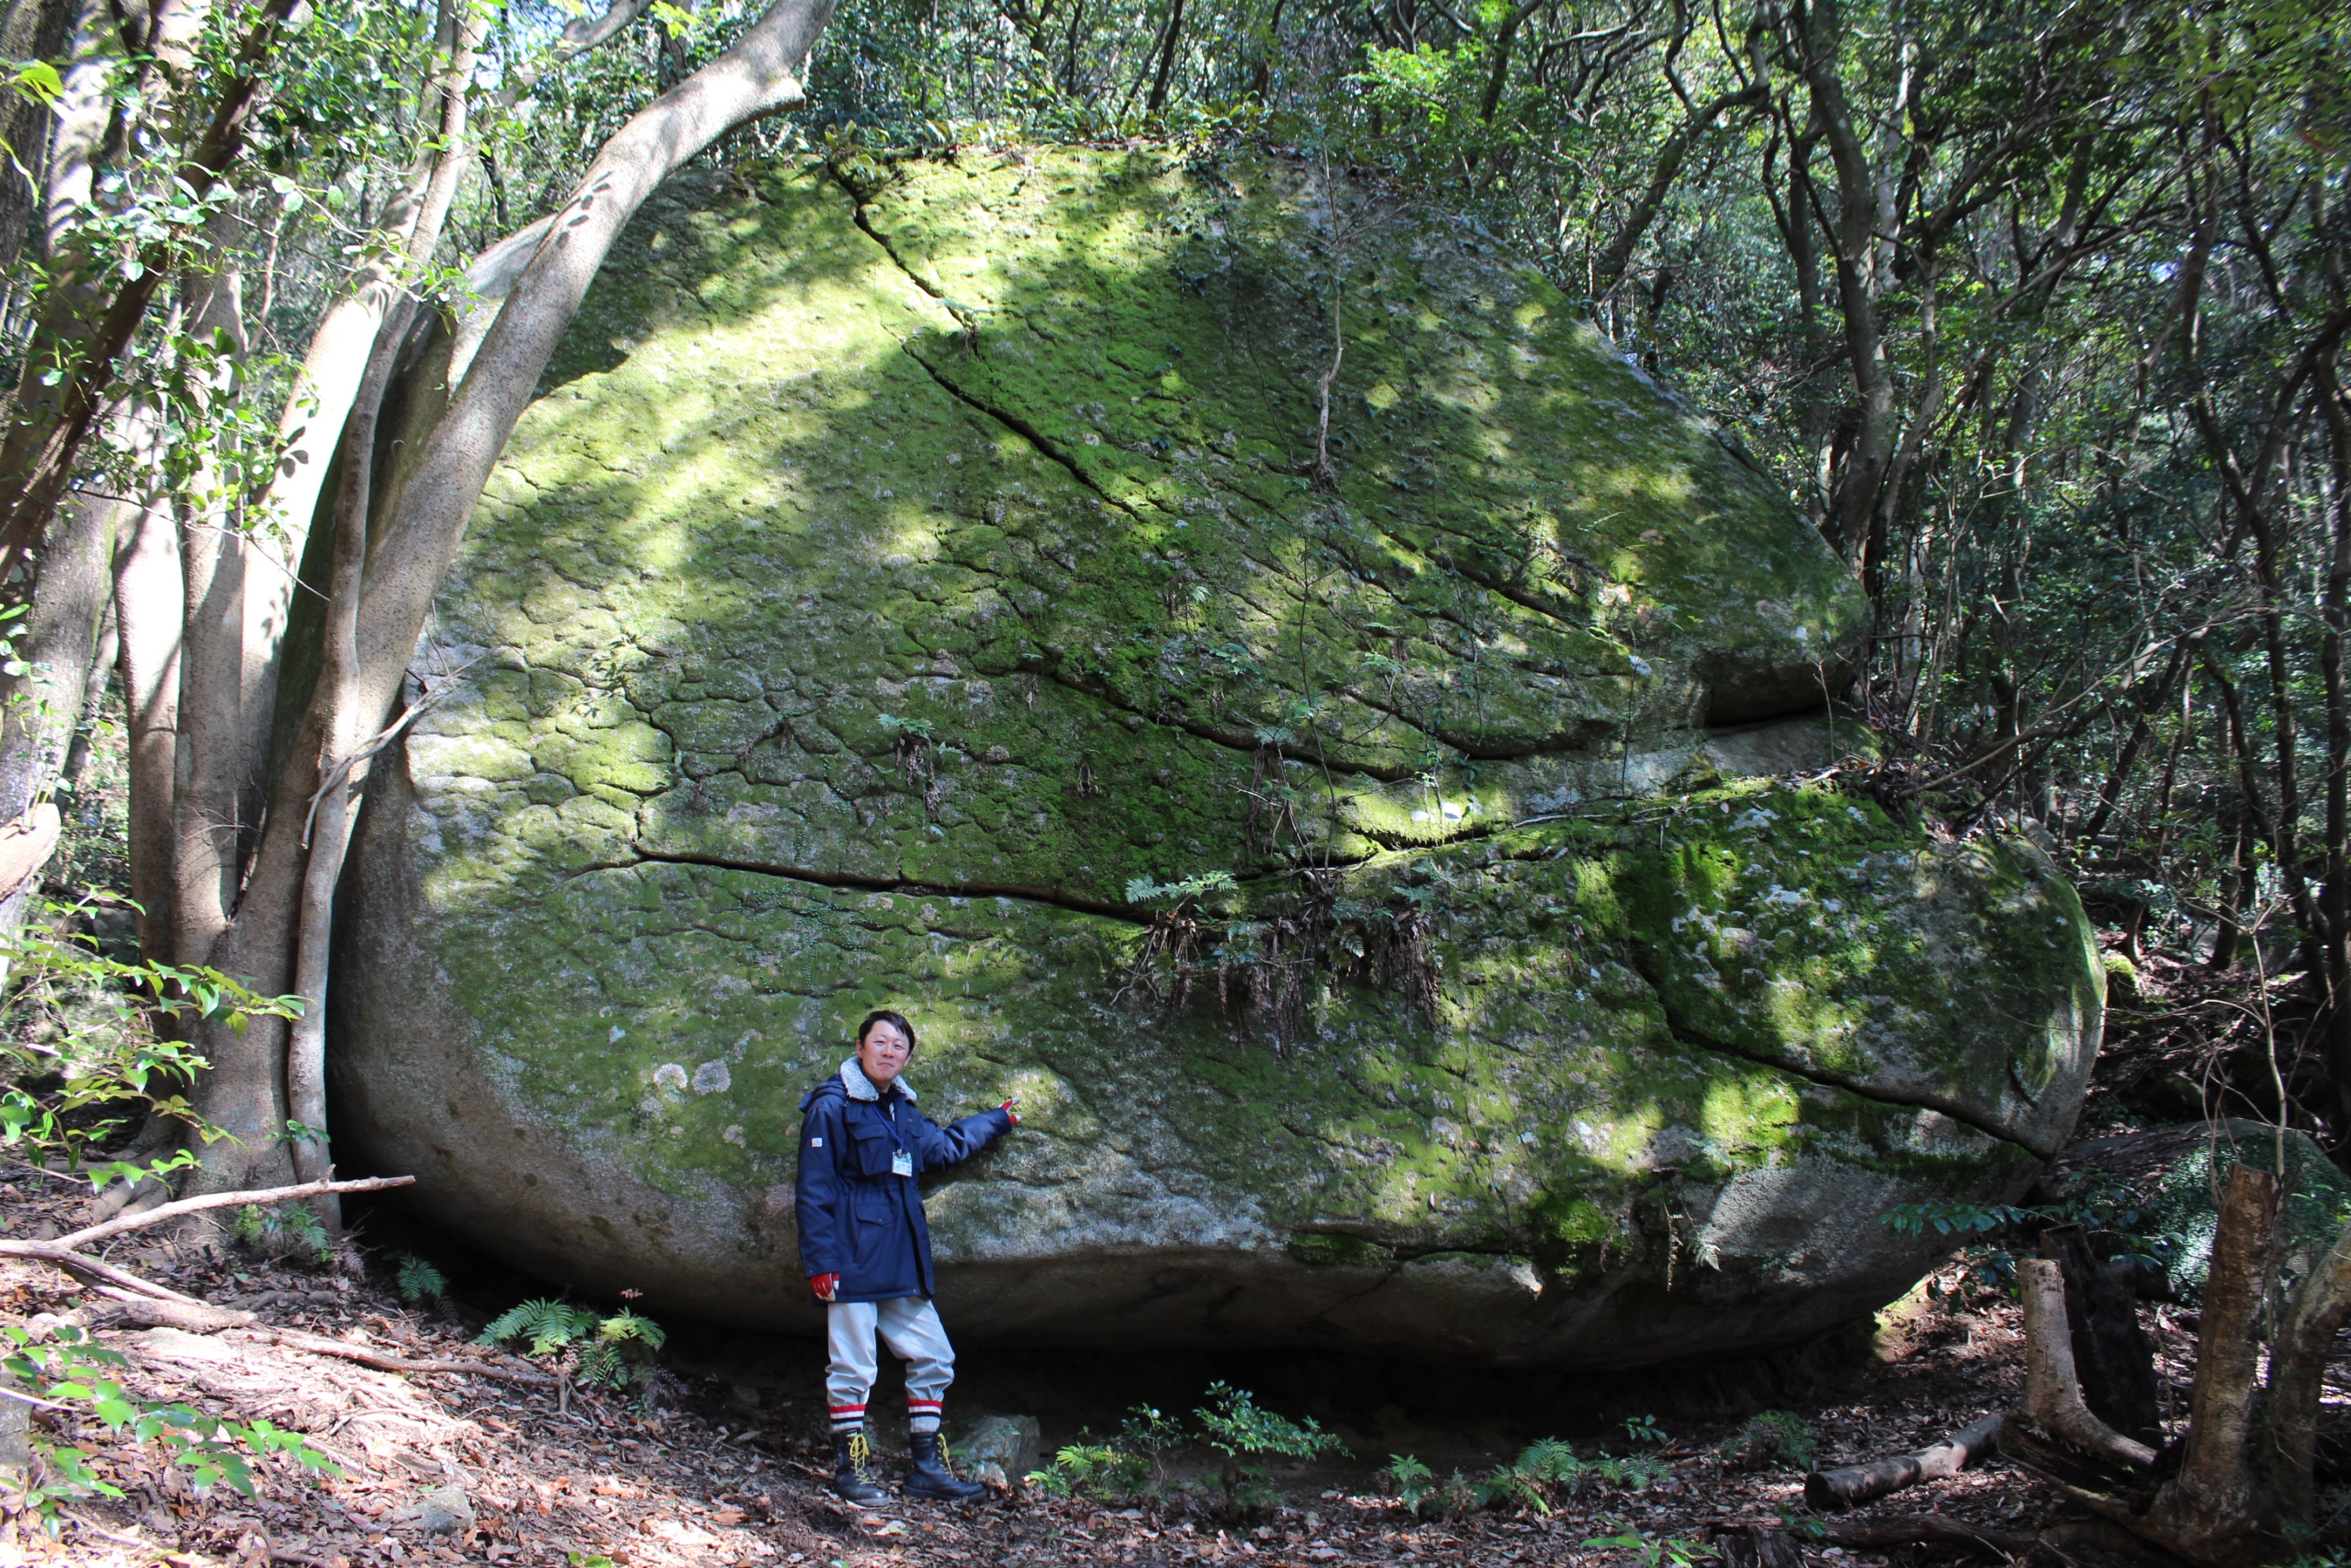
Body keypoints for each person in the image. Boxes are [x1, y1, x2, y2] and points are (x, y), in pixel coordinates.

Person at [795, 1009, 1018, 1504]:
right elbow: (813, 1190)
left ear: (907, 1057)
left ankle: (926, 1470)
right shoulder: (831, 1107)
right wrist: (821, 1263)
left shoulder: (904, 1111)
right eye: (880, 1042)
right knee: (854, 1367)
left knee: (935, 1356)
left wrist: (997, 1120)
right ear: (860, 1047)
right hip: (850, 1260)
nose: (889, 1051)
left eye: (899, 1046)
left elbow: (943, 1150)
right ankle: (851, 1471)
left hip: (900, 1259)